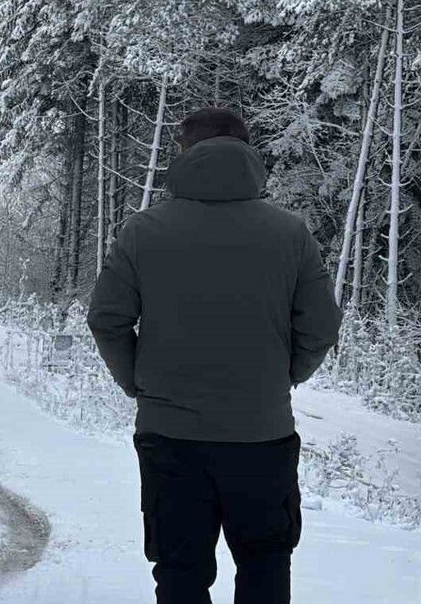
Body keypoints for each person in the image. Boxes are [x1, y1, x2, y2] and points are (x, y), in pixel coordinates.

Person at [86, 107, 343, 604]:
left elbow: (108, 320)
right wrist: (284, 377)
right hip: (261, 435)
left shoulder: (143, 231)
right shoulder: (290, 234)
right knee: (265, 564)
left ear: (183, 154)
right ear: (248, 154)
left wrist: (136, 380)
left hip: (169, 435)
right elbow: (321, 326)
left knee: (180, 571)